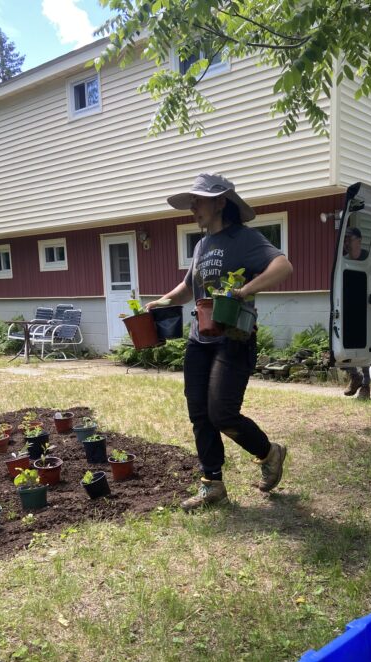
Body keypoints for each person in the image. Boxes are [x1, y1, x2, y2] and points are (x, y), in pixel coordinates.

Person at [146, 172, 293, 511]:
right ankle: (212, 484)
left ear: (221, 202)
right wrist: (162, 302)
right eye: (192, 201)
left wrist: (244, 291)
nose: (193, 207)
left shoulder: (244, 239)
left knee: (222, 413)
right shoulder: (201, 245)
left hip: (234, 338)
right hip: (201, 339)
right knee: (199, 412)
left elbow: (283, 266)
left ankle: (270, 453)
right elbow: (188, 288)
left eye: (198, 200)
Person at [341, 227, 370, 399]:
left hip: (366, 307)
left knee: (364, 346)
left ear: (358, 241)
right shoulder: (343, 260)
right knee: (341, 346)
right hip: (348, 308)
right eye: (344, 240)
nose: (345, 244)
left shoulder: (368, 257)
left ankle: (366, 385)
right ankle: (355, 376)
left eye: (348, 240)